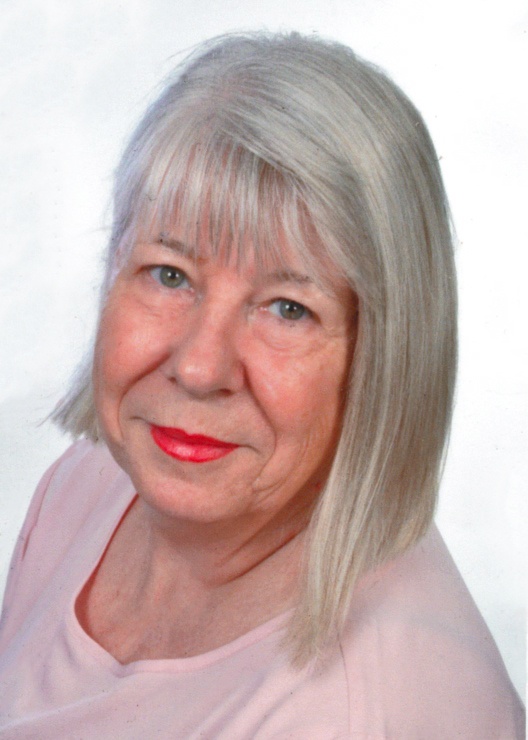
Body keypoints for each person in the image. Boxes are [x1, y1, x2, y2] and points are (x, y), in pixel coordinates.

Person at [0, 31, 523, 738]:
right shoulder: (86, 485)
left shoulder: (362, 713)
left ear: (385, 357)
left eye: (288, 309)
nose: (199, 367)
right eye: (170, 274)